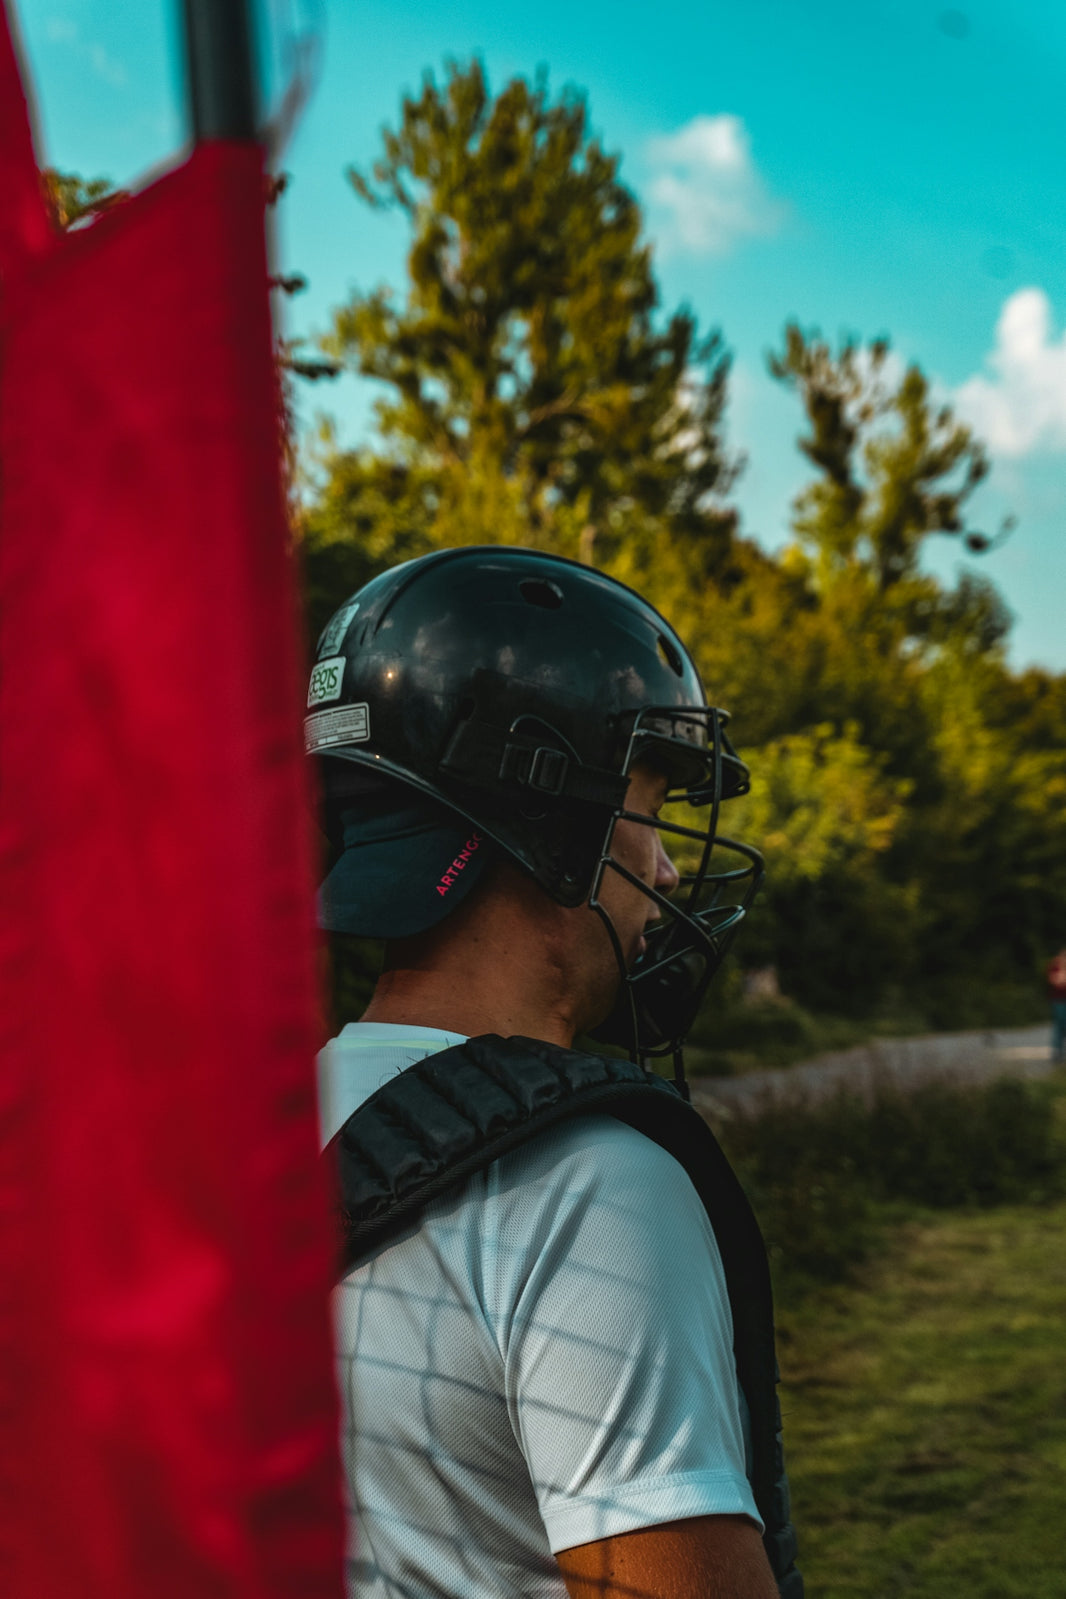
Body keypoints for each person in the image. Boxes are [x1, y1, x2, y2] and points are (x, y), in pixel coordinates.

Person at [308, 547, 802, 1599]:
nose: (667, 866)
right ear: (554, 815)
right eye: (652, 799)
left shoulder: (236, 1134)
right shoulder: (589, 1185)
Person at [1047, 949, 1066, 1063]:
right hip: (1059, 1000)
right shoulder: (1054, 966)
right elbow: (1056, 981)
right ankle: (1057, 1052)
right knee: (1060, 1026)